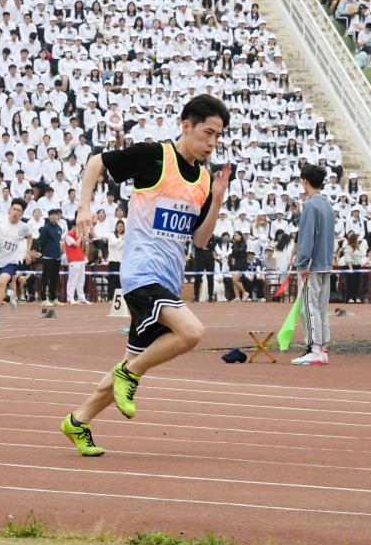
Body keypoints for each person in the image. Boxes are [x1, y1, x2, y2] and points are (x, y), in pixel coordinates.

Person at [60, 94, 231, 457]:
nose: (213, 143)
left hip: (167, 281)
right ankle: (130, 375)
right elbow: (96, 163)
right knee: (192, 332)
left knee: (132, 359)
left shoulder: (203, 179)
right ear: (186, 126)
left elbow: (200, 239)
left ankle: (78, 420)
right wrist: (84, 208)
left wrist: (216, 199)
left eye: (219, 136)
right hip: (140, 274)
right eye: (208, 133)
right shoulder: (156, 156)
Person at [291, 165, 336, 366]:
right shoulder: (327, 204)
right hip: (325, 262)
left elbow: (307, 236)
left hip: (313, 265)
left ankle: (314, 348)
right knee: (321, 307)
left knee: (309, 307)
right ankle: (322, 347)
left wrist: (302, 263)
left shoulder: (310, 205)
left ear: (305, 181)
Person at [0, 198, 33, 327]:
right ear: (9, 209)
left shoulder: (24, 227)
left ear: (22, 214)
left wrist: (27, 252)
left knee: (2, 283)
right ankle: (8, 298)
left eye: (19, 211)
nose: (16, 212)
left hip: (11, 262)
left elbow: (30, 236)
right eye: (14, 209)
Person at [36, 209, 64, 306]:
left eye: (55, 215)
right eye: (51, 215)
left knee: (54, 278)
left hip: (57, 257)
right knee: (45, 278)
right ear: (49, 217)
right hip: (48, 257)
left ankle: (53, 298)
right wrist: (41, 254)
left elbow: (59, 242)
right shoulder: (45, 229)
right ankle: (43, 299)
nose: (54, 217)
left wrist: (60, 253)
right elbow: (41, 242)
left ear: (58, 216)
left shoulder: (60, 228)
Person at [64, 228, 89, 304]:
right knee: (73, 280)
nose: (78, 229)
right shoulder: (68, 235)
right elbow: (76, 244)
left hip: (81, 259)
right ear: (73, 226)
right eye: (77, 227)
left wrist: (84, 238)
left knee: (81, 280)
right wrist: (80, 237)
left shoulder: (77, 235)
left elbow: (85, 243)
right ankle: (70, 298)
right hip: (73, 261)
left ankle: (81, 298)